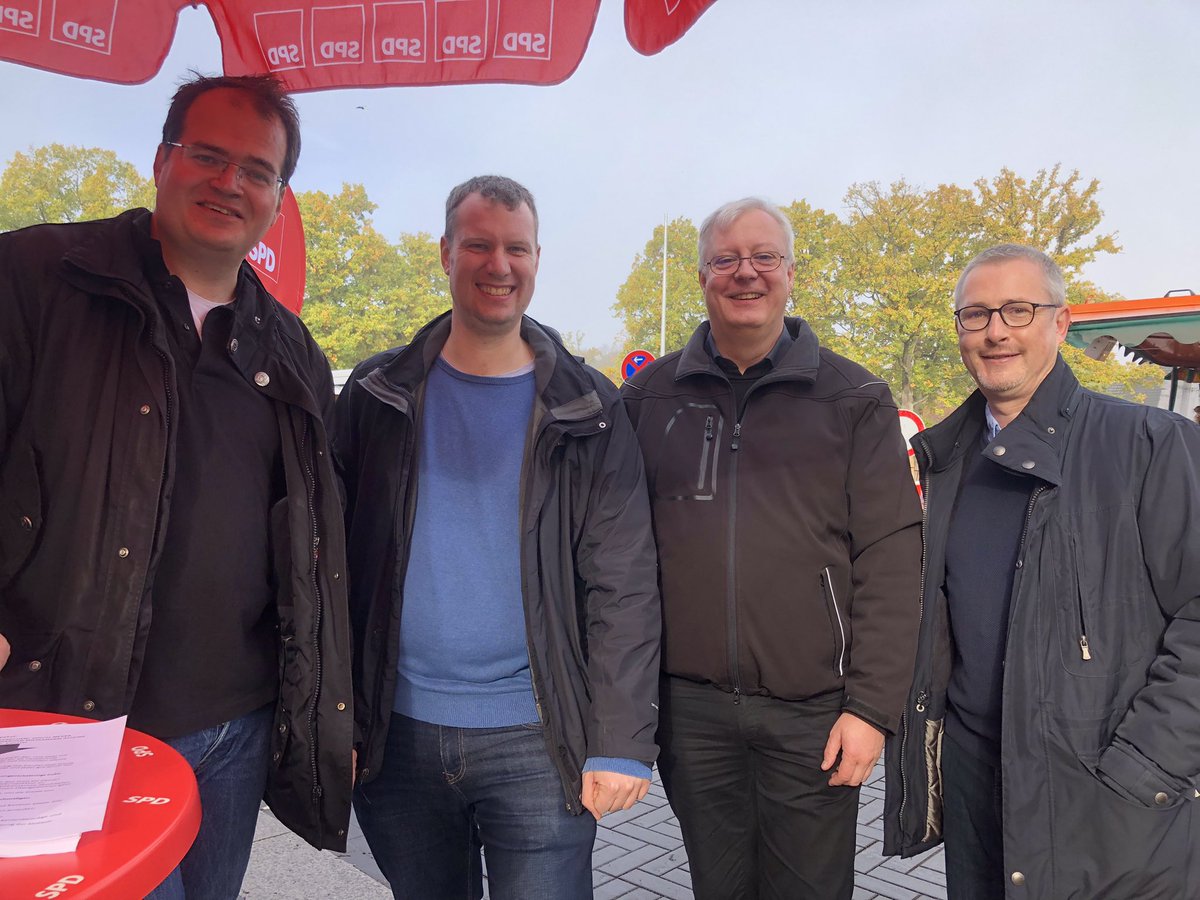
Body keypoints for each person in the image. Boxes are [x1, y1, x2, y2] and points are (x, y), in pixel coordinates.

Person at [0, 74, 353, 898]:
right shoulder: (39, 277)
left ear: (277, 198)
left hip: (235, 725)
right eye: (208, 155)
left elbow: (313, 537)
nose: (230, 183)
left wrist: (328, 707)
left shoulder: (289, 345)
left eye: (257, 171)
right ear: (162, 159)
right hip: (72, 717)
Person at [333, 175, 660, 900]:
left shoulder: (588, 406)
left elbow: (624, 578)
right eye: (477, 245)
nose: (498, 265)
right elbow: (328, 562)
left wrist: (622, 740)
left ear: (537, 258)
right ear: (444, 252)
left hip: (538, 741)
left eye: (516, 248)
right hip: (398, 732)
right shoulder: (375, 393)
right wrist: (332, 717)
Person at [621, 197, 923, 899]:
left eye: (764, 257)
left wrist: (873, 708)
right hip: (690, 712)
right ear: (702, 277)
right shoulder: (647, 400)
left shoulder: (854, 399)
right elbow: (618, 557)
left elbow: (891, 559)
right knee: (718, 888)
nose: (745, 273)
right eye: (726, 259)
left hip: (814, 712)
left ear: (791, 273)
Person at [884, 244, 1200, 898]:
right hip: (977, 790)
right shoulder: (944, 463)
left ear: (1059, 323)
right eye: (976, 315)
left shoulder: (1149, 446)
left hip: (1108, 801)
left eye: (1018, 310)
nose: (995, 330)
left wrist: (1150, 764)